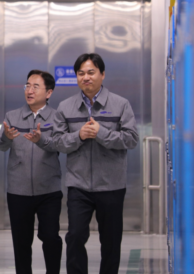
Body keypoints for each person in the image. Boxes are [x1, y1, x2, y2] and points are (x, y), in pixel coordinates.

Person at [53, 53, 139, 274]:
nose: (86, 77)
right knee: (75, 236)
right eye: (80, 73)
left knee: (110, 242)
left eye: (91, 72)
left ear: (102, 74)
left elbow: (131, 139)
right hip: (78, 185)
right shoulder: (65, 107)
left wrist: (102, 133)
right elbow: (57, 142)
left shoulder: (121, 104)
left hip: (111, 186)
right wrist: (79, 136)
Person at [0, 70, 63, 274]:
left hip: (49, 189)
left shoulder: (57, 117)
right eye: (27, 86)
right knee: (21, 242)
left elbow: (61, 144)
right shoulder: (12, 116)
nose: (29, 90)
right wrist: (6, 137)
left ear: (48, 93)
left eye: (35, 86)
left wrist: (42, 140)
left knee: (50, 237)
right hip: (18, 190)